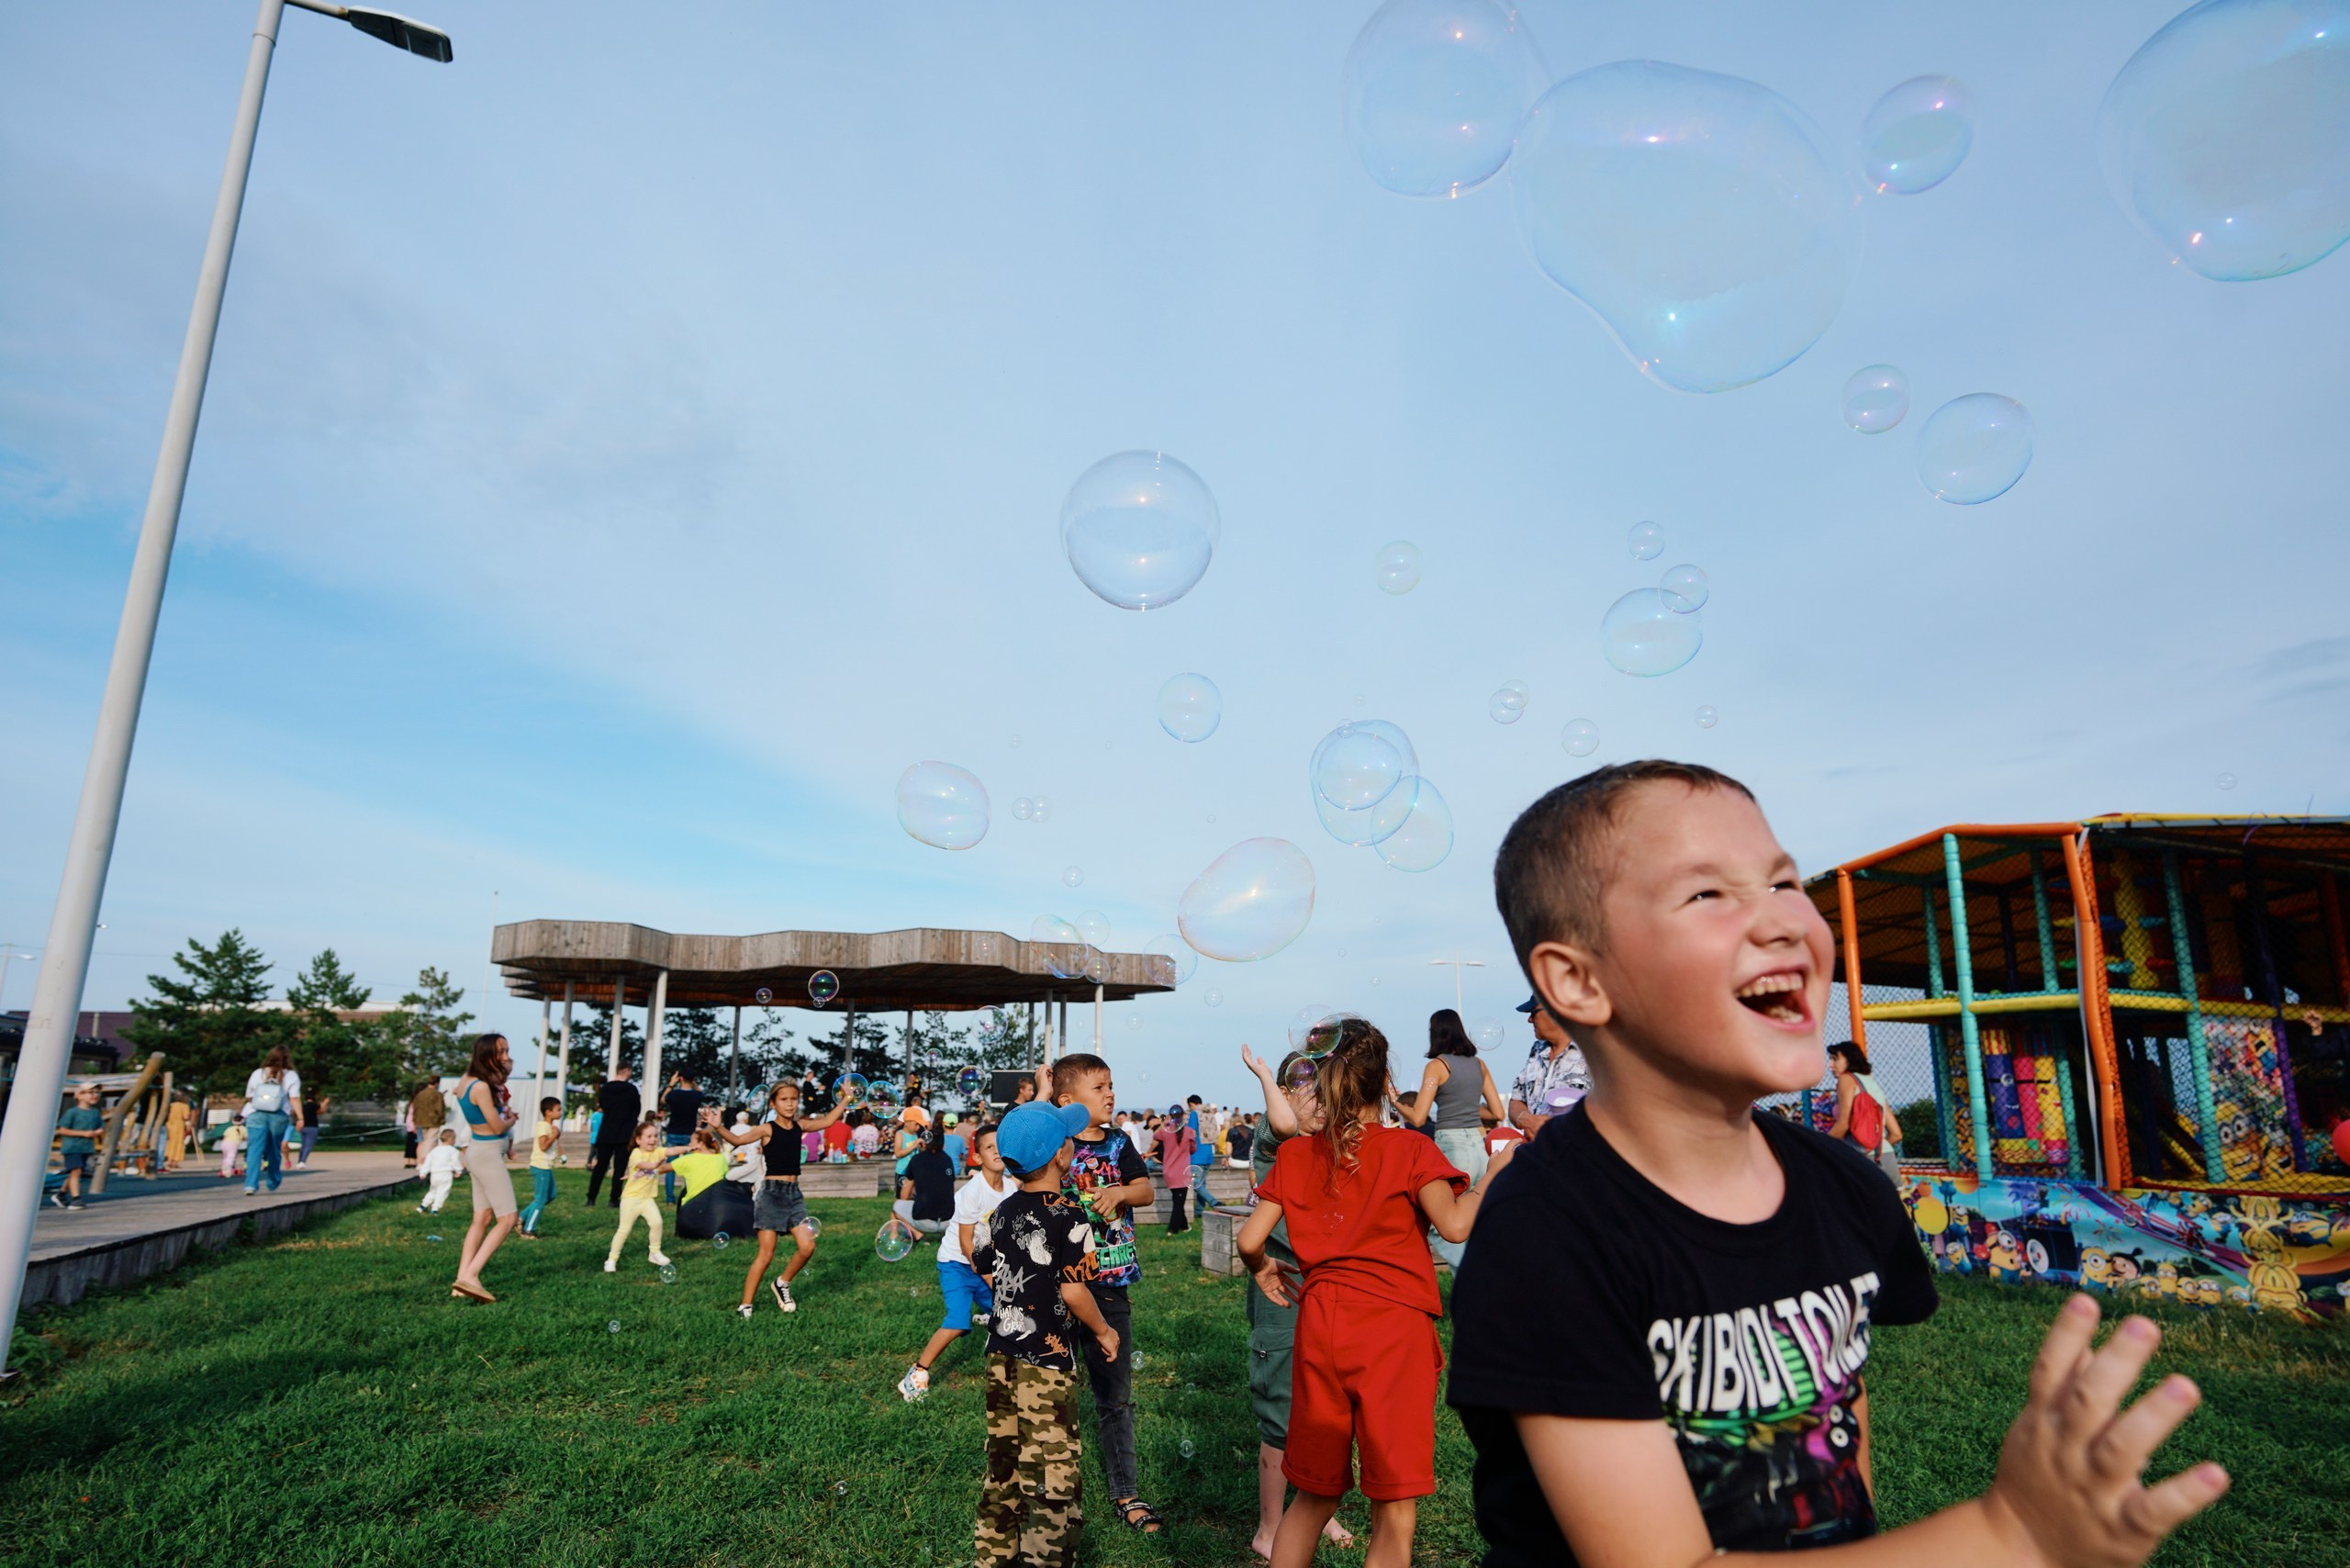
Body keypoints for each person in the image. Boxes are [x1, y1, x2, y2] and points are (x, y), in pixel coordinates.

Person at [1449, 759, 2231, 1565]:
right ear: (1577, 981)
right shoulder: (1546, 1235)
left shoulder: (1842, 1186)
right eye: (1708, 894)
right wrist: (2011, 1534)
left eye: (1784, 882)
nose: (1787, 919)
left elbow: (1837, 1454)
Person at [1237, 1018, 1509, 1568]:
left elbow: (1248, 1238)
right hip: (1392, 1330)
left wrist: (1264, 1267)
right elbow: (1455, 1226)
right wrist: (1492, 1177)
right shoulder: (1409, 1150)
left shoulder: (1296, 1155)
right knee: (1395, 1506)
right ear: (1385, 1080)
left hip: (1319, 1325)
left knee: (1315, 1492)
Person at [969, 1100, 1117, 1567]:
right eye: (1068, 1137)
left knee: (1004, 1465)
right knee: (1052, 1474)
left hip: (1001, 1356)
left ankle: (992, 1557)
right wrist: (1105, 1330)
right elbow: (1075, 1294)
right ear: (1060, 1154)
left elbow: (982, 1263)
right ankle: (1044, 1559)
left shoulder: (1001, 1211)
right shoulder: (1070, 1214)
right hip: (1047, 1362)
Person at [1238, 1043, 1357, 1560]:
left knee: (1324, 1405)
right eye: (1312, 1092)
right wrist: (1267, 1075)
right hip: (1279, 1293)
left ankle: (1315, 1509)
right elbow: (1285, 1123)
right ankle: (1269, 1527)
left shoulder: (1325, 1145)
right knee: (1283, 1412)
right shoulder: (1275, 1144)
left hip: (1323, 1290)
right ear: (1283, 1096)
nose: (1322, 1105)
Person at [1045, 1053, 1162, 1535]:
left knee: (1115, 1397)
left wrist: (1119, 1194)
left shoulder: (1119, 1143)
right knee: (1053, 1392)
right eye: (1099, 1087)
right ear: (1068, 1101)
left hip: (1109, 1286)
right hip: (1059, 1285)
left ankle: (1126, 1492)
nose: (1110, 1094)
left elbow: (1146, 1190)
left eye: (1111, 1085)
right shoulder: (1056, 1143)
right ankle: (1050, 1491)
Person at [708, 1079, 860, 1316]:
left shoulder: (800, 1125)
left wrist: (846, 1099)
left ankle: (782, 1283)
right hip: (770, 1194)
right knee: (766, 1254)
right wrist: (718, 1126)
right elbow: (737, 1141)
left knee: (808, 1246)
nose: (790, 1104)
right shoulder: (766, 1129)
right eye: (784, 1100)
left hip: (794, 1195)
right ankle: (745, 1305)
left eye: (793, 1099)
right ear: (773, 1103)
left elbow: (828, 1121)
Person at [899, 1121, 1010, 1403]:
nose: (997, 1152)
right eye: (989, 1147)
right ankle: (917, 1372)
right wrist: (993, 1280)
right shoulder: (973, 1192)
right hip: (957, 1264)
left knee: (1013, 1315)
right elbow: (966, 1244)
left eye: (1001, 1146)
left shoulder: (1010, 1189)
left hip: (984, 1264)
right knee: (958, 1322)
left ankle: (1005, 1360)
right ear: (977, 1157)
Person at [1391, 1008, 1507, 1268]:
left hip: (1453, 1147)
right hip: (1480, 1149)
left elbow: (1419, 1118)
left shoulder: (1437, 1066)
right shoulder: (1479, 1064)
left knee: (1440, 1223)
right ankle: (1491, 1278)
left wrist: (1394, 1101)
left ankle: (1470, 1279)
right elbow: (1498, 1112)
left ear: (1435, 1033)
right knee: (1478, 1218)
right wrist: (1466, 1105)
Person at [449, 1034, 520, 1303]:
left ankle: (460, 1282)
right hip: (488, 1154)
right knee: (508, 1219)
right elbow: (497, 1126)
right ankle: (471, 1276)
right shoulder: (480, 1086)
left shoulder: (467, 1081)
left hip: (479, 1153)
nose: (505, 1058)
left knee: (482, 1219)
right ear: (485, 1054)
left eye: (507, 1051)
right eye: (500, 1052)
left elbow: (504, 1074)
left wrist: (504, 1063)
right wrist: (511, 1118)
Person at [1505, 990, 1591, 1137]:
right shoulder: (1537, 1049)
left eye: (1533, 1013)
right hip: (1539, 1153)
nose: (1530, 1020)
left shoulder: (1593, 1051)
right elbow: (1516, 1101)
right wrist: (1525, 1119)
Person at [1825, 1041, 1905, 1186]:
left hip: (1860, 1159)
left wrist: (1818, 1145)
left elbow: (1843, 1125)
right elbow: (1896, 1134)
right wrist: (1874, 1147)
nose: (1830, 1065)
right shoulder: (1870, 1083)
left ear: (1850, 1059)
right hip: (1886, 1156)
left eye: (1835, 1059)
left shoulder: (1846, 1079)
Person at [604, 1117, 677, 1272]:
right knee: (624, 1231)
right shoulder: (636, 1153)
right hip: (631, 1199)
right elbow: (642, 1165)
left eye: (656, 1136)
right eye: (649, 1136)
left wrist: (689, 1147)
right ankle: (611, 1259)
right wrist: (654, 1165)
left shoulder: (658, 1151)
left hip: (647, 1199)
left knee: (657, 1223)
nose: (653, 1139)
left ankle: (654, 1253)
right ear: (638, 1140)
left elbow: (672, 1151)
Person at [238, 1046, 303, 1194]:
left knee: (254, 1149)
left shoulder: (258, 1073)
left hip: (256, 1114)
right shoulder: (291, 1075)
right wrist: (300, 1117)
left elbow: (249, 1096)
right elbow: (294, 1098)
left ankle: (250, 1185)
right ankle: (273, 1180)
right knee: (274, 1149)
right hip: (278, 1115)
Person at [586, 1065, 641, 1209]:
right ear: (627, 1071)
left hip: (606, 1132)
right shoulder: (632, 1090)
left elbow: (603, 1106)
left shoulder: (605, 1089)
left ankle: (591, 1198)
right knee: (619, 1168)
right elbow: (636, 1110)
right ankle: (613, 1199)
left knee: (600, 1168)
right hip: (624, 1133)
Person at [894, 1116, 958, 1237]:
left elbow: (904, 1195)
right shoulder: (947, 1160)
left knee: (896, 1206)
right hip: (948, 1220)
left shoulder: (917, 1160)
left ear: (924, 1142)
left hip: (924, 1221)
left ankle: (915, 1234)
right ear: (943, 1144)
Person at [48, 1082, 106, 1209]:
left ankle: (61, 1194)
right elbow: (62, 1130)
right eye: (91, 1092)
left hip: (86, 1147)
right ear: (80, 1096)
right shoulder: (72, 1112)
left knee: (75, 1173)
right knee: (76, 1170)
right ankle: (76, 1199)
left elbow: (100, 1127)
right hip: (72, 1147)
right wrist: (83, 1133)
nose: (95, 1095)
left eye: (97, 1093)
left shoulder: (95, 1113)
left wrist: (98, 1132)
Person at [518, 1095, 564, 1238]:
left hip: (547, 1166)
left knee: (551, 1195)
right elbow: (543, 1146)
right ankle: (528, 1230)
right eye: (558, 1109)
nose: (560, 1112)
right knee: (541, 1199)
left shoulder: (551, 1127)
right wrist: (554, 1136)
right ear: (548, 1112)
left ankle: (521, 1217)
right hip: (540, 1166)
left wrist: (557, 1138)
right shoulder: (542, 1126)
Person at [659, 1071, 705, 1202]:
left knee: (671, 1167)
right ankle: (687, 1194)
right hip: (689, 1135)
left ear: (680, 1078)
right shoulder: (696, 1095)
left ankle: (669, 1198)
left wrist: (671, 1084)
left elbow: (663, 1100)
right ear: (693, 1079)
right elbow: (702, 1094)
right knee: (689, 1167)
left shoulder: (673, 1094)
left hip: (673, 1132)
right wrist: (694, 1083)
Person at [1152, 1107, 1197, 1234]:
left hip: (1169, 1171)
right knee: (1178, 1203)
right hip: (1183, 1172)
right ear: (1182, 1115)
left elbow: (1155, 1135)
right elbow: (1193, 1149)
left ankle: (1184, 1226)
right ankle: (1172, 1229)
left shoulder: (1166, 1131)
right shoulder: (1189, 1132)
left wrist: (1165, 1123)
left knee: (1177, 1200)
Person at [418, 1127, 464, 1213]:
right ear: (451, 1139)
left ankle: (423, 1205)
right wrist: (459, 1171)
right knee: (442, 1191)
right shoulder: (453, 1151)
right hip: (446, 1174)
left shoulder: (435, 1150)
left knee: (433, 1190)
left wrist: (423, 1172)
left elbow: (428, 1162)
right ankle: (435, 1208)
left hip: (434, 1174)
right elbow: (455, 1162)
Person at [407, 1077, 444, 1168]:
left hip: (419, 1122)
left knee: (421, 1142)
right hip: (432, 1122)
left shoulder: (420, 1094)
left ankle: (419, 1162)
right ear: (437, 1083)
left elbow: (415, 1109)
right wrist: (441, 1119)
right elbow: (439, 1109)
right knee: (430, 1142)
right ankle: (425, 1163)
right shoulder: (437, 1094)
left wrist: (415, 1121)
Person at [296, 1089, 326, 1169]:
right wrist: (324, 1103)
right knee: (308, 1146)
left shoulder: (303, 1106)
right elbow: (321, 1111)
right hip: (312, 1127)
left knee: (303, 1145)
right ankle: (302, 1161)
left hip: (304, 1126)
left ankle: (300, 1160)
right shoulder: (314, 1105)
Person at [164, 1092, 193, 1171]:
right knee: (178, 1143)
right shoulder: (184, 1106)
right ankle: (175, 1161)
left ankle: (169, 1159)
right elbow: (185, 1116)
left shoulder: (171, 1105)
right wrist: (188, 1125)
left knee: (170, 1143)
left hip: (169, 1125)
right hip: (178, 1126)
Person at [217, 1114, 245, 1180]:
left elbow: (225, 1135)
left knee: (225, 1157)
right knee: (231, 1157)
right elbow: (247, 1137)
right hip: (233, 1144)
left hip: (224, 1143)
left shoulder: (229, 1128)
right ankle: (227, 1169)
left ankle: (227, 1168)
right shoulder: (243, 1129)